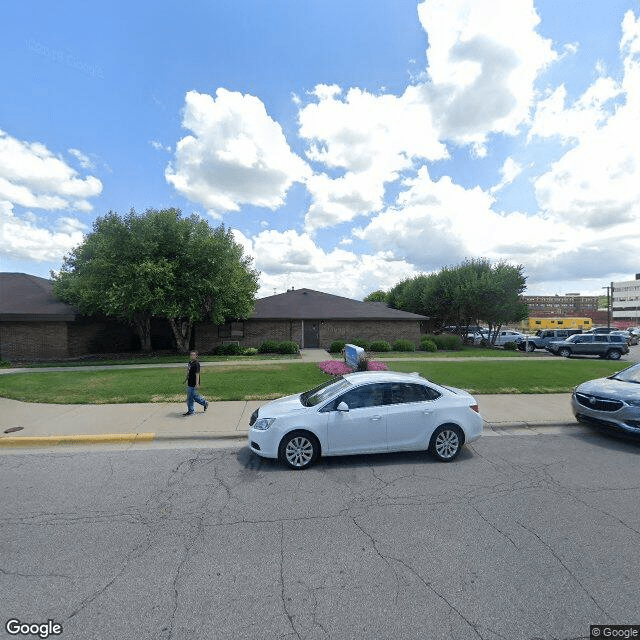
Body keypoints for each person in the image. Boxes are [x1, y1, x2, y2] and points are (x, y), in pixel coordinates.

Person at [184, 350, 209, 416]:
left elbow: (197, 374)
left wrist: (197, 383)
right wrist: (187, 373)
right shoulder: (190, 363)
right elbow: (189, 372)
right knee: (193, 396)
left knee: (190, 397)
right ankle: (204, 403)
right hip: (190, 381)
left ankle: (191, 411)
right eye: (191, 355)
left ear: (196, 356)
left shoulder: (196, 364)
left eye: (194, 355)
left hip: (194, 382)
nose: (192, 356)